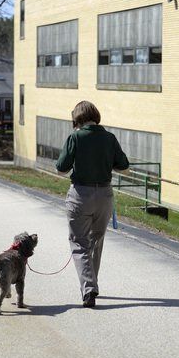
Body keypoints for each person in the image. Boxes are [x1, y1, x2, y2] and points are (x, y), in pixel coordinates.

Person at [55, 101, 129, 308]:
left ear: (77, 119)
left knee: (79, 242)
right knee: (96, 240)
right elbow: (124, 166)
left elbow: (61, 169)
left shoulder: (75, 137)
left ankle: (89, 289)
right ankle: (92, 284)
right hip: (105, 196)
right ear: (95, 116)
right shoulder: (109, 138)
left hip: (80, 194)